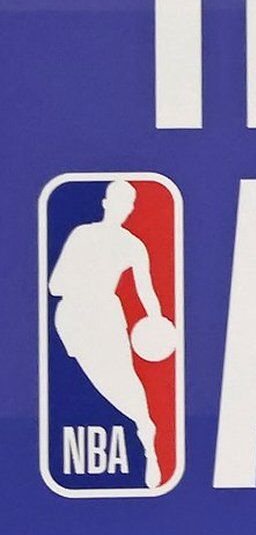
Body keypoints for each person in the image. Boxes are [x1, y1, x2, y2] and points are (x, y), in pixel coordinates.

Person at [49, 179, 166, 488]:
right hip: (73, 316)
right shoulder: (82, 235)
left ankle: (146, 435)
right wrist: (86, 281)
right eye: (119, 201)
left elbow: (146, 291)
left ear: (131, 209)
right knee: (101, 380)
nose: (123, 208)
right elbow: (55, 285)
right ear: (105, 203)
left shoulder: (133, 245)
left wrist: (156, 320)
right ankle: (142, 425)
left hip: (106, 315)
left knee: (124, 377)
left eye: (128, 203)